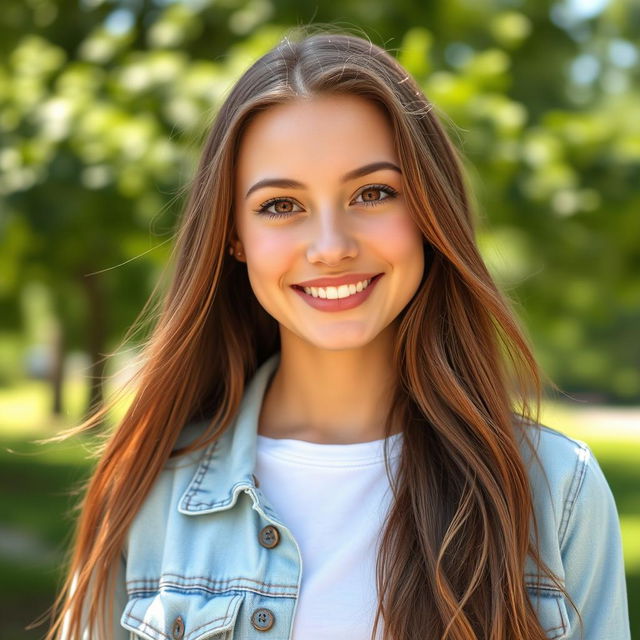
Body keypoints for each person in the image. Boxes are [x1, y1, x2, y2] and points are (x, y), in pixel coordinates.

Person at [41, 27, 630, 640]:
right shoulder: (149, 491)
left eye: (372, 193)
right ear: (233, 237)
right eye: (281, 205)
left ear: (430, 210)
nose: (330, 247)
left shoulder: (554, 491)